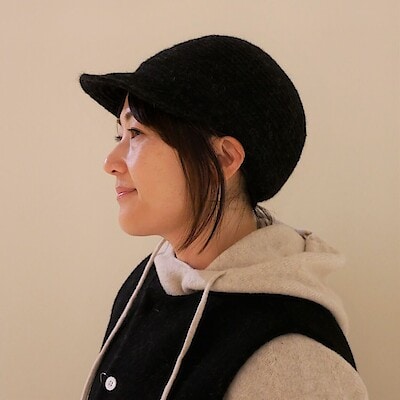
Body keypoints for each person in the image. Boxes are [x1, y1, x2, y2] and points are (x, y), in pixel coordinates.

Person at [79, 35, 368, 399]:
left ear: (224, 159)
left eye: (136, 133)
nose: (110, 163)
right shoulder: (148, 280)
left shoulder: (293, 362)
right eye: (119, 135)